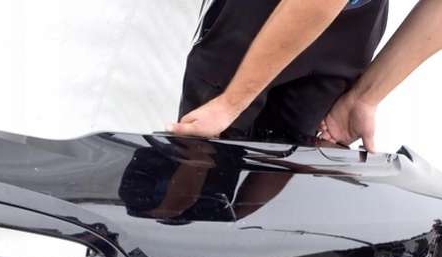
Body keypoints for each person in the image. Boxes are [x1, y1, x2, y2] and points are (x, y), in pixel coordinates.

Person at [169, 0, 442, 151]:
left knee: (278, 182)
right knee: (205, 166)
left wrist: (364, 97)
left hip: (352, 19)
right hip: (274, 13)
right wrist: (232, 101)